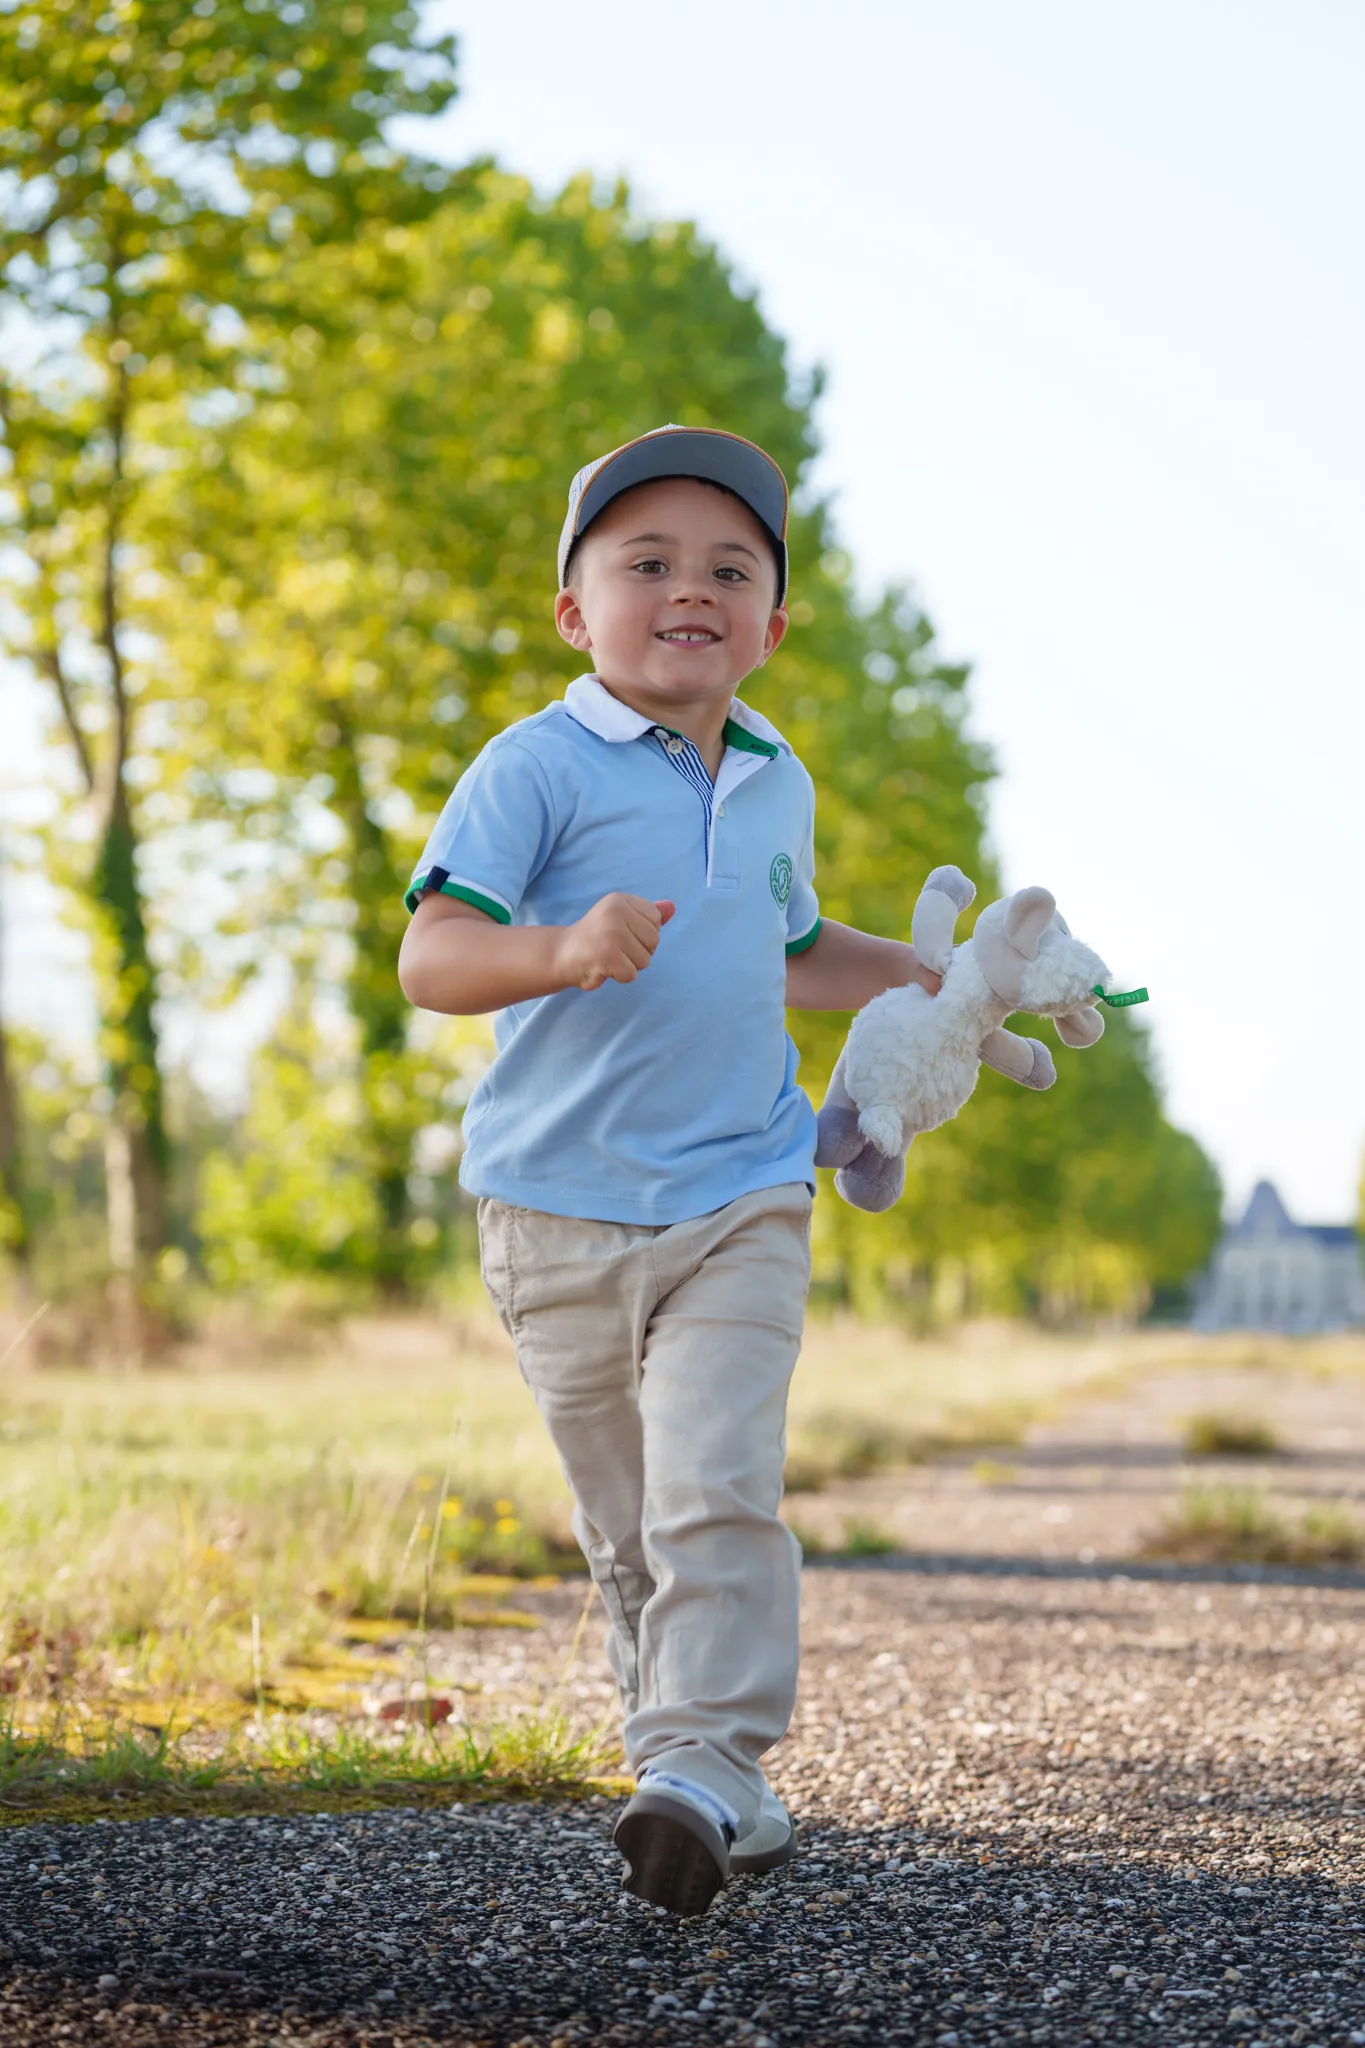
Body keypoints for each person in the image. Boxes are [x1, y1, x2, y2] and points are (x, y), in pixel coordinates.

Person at [398, 424, 941, 1915]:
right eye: (647, 563)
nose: (690, 589)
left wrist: (939, 980)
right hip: (553, 1211)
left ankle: (705, 1760)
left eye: (729, 569)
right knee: (633, 1527)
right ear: (575, 613)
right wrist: (561, 949)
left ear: (773, 624)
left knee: (718, 1483)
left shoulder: (776, 778)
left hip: (742, 1189)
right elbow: (433, 958)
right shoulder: (532, 766)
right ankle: (696, 1778)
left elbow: (794, 951)